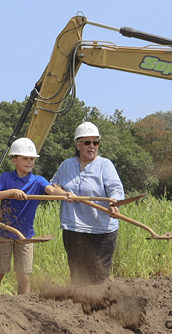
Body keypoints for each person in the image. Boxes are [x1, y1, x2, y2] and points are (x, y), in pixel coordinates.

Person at [50, 121, 125, 285]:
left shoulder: (105, 165)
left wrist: (114, 203)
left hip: (101, 231)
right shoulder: (66, 165)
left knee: (99, 277)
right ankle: (81, 308)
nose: (92, 146)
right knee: (78, 276)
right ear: (78, 145)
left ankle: (101, 308)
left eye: (95, 142)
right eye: (87, 142)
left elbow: (115, 188)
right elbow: (52, 186)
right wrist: (63, 193)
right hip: (74, 229)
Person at [0, 137, 55, 298]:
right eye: (25, 158)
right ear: (14, 160)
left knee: (24, 275)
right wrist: (11, 193)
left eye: (31, 159)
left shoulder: (38, 181)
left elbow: (52, 191)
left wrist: (66, 194)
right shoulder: (5, 178)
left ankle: (23, 306)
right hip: (4, 233)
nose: (29, 162)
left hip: (25, 236)